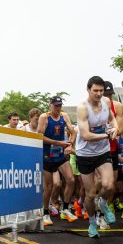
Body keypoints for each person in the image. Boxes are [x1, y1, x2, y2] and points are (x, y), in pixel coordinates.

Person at [74, 76, 118, 238]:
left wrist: (115, 128)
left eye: (101, 90)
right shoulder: (83, 108)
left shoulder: (106, 102)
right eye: (96, 91)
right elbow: (85, 135)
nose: (99, 94)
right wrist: (107, 135)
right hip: (85, 154)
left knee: (109, 185)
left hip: (102, 151)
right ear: (88, 90)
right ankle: (92, 223)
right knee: (90, 194)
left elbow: (113, 119)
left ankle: (104, 203)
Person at [37, 96, 77, 226]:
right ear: (50, 105)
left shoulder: (64, 116)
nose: (58, 108)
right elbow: (39, 136)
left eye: (60, 105)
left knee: (71, 180)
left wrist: (70, 143)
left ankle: (65, 208)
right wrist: (57, 142)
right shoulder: (44, 117)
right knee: (49, 186)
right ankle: (45, 212)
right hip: (47, 155)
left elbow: (73, 131)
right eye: (56, 106)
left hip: (60, 154)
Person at [103, 81, 123, 221]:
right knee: (102, 183)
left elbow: (121, 128)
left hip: (112, 147)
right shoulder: (91, 107)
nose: (108, 97)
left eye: (110, 94)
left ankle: (107, 205)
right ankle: (95, 208)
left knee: (112, 183)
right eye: (106, 94)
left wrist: (115, 130)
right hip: (97, 149)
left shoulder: (116, 105)